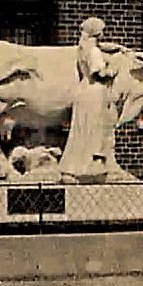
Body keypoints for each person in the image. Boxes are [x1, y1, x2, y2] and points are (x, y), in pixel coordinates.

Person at [58, 17, 127, 181]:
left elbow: (103, 47)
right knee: (93, 131)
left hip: (85, 90)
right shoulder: (93, 52)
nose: (103, 33)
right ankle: (88, 168)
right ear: (95, 31)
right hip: (95, 92)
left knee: (81, 131)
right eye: (101, 30)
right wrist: (114, 68)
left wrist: (117, 48)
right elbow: (101, 73)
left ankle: (73, 167)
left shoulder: (84, 48)